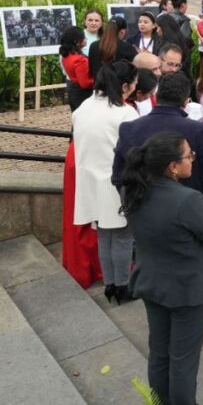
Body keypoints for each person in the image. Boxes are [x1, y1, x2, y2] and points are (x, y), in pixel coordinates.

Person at [121, 132, 203, 405]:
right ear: (172, 166)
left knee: (159, 352)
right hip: (187, 289)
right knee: (183, 359)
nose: (192, 159)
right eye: (189, 155)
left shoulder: (133, 190)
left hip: (151, 282)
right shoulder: (187, 199)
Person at [73, 61, 139, 303]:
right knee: (122, 236)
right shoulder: (125, 112)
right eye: (133, 83)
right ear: (124, 86)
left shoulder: (82, 108)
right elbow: (136, 152)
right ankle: (122, 286)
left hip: (90, 182)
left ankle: (110, 283)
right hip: (116, 183)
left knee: (104, 235)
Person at [113, 72, 203, 212]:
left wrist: (135, 208)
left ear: (156, 96)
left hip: (146, 212)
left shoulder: (129, 128)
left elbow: (118, 177)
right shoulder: (198, 130)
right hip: (190, 211)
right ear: (186, 101)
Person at [60, 26, 94, 111]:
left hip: (73, 90)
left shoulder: (66, 55)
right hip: (83, 94)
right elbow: (85, 83)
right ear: (77, 42)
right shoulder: (79, 60)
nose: (86, 39)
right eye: (84, 38)